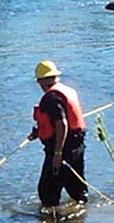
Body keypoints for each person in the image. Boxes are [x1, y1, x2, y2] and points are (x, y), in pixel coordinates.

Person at [25, 61, 88, 209]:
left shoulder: (51, 98)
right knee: (76, 189)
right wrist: (39, 132)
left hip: (62, 149)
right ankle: (80, 220)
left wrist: (58, 154)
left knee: (47, 192)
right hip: (76, 145)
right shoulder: (67, 91)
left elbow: (62, 124)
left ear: (40, 81)